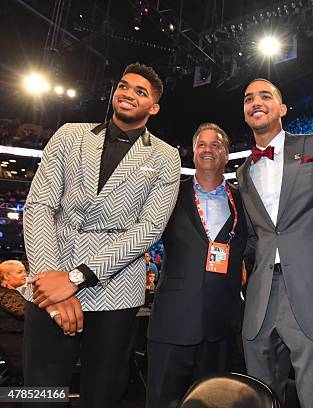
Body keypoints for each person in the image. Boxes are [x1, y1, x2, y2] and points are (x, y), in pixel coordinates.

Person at [22, 63, 181, 408]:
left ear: (153, 107)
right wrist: (53, 279)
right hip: (50, 282)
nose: (128, 93)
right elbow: (38, 206)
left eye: (141, 91)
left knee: (103, 394)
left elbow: (149, 229)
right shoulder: (69, 134)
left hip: (116, 289)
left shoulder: (166, 156)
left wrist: (77, 278)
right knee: (38, 392)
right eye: (124, 86)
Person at [236, 78, 313, 408]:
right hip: (261, 297)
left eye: (265, 95)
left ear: (282, 109)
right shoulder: (242, 172)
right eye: (248, 98)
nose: (256, 101)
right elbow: (256, 236)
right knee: (260, 395)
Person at [146, 123, 250, 408]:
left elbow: (253, 244)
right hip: (173, 321)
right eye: (201, 144)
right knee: (161, 401)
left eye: (216, 144)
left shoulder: (243, 199)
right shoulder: (169, 195)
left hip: (220, 325)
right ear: (193, 153)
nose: (208, 149)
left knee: (212, 403)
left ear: (227, 154)